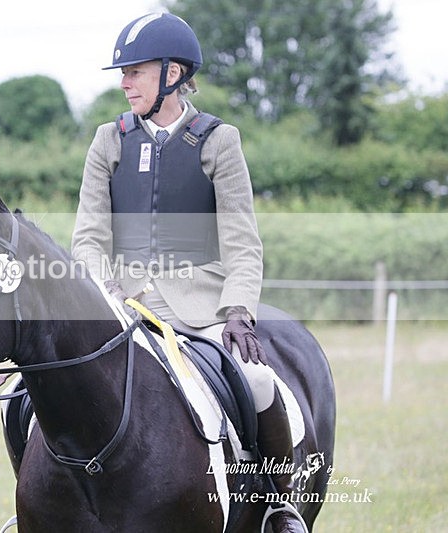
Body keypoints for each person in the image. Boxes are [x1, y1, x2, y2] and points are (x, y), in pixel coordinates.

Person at [70, 12, 304, 533]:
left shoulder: (219, 141)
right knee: (32, 395)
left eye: (135, 71)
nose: (124, 82)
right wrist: (105, 291)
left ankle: (277, 502)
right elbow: (88, 236)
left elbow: (242, 240)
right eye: (122, 72)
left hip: (199, 305)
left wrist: (238, 309)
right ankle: (43, 508)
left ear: (172, 74)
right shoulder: (109, 141)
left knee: (258, 380)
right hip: (122, 306)